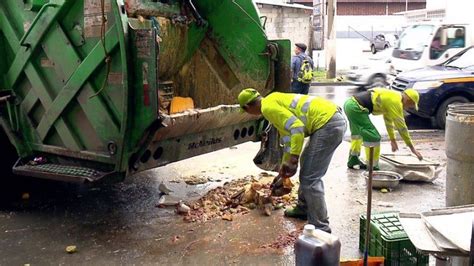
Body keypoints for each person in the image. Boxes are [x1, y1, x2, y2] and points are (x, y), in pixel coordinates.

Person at [237, 88, 346, 233]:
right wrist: (283, 172)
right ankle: (303, 208)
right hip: (332, 119)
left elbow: (297, 128)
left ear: (247, 107)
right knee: (307, 166)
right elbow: (289, 140)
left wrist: (293, 159)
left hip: (328, 124)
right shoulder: (272, 100)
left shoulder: (268, 108)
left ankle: (321, 227)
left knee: (310, 178)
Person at [344, 88, 423, 170]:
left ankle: (353, 161)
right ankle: (372, 167)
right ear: (408, 100)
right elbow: (402, 127)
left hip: (350, 104)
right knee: (373, 137)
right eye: (411, 105)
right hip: (356, 107)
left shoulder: (393, 97)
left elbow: (388, 122)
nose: (409, 107)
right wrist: (412, 148)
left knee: (357, 135)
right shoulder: (396, 102)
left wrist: (393, 140)